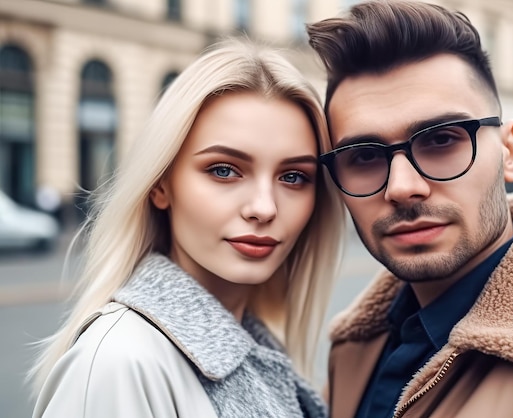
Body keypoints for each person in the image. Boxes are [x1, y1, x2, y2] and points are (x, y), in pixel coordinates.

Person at [306, 1, 513, 417]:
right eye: (364, 157)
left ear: (510, 153)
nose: (403, 188)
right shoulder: (351, 350)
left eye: (440, 141)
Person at [29, 38, 344, 418]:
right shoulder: (121, 363)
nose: (264, 207)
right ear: (161, 184)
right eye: (224, 170)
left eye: (293, 177)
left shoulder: (258, 349)